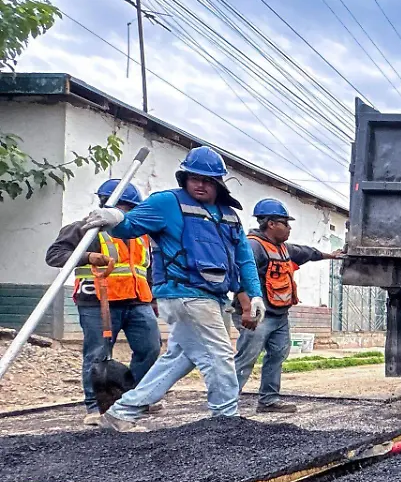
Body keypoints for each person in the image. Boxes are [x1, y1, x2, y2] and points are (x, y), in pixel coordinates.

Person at [82, 146, 265, 431]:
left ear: (219, 182)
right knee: (219, 356)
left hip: (212, 297)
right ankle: (226, 421)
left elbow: (243, 258)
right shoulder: (167, 202)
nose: (200, 184)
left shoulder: (228, 215)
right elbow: (131, 226)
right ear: (185, 178)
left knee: (178, 358)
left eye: (207, 180)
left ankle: (122, 412)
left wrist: (254, 295)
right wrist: (115, 218)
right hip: (185, 295)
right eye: (194, 178)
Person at [45, 179, 162, 426]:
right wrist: (88, 256)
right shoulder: (84, 229)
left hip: (137, 301)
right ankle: (95, 406)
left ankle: (134, 397)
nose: (127, 211)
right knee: (97, 354)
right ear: (106, 203)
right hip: (98, 301)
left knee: (150, 348)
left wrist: (153, 298)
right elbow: (54, 256)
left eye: (132, 207)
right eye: (125, 206)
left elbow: (146, 267)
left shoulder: (139, 234)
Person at [232, 198, 344, 413]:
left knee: (277, 355)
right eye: (286, 223)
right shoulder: (253, 246)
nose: (289, 228)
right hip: (257, 315)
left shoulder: (282, 248)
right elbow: (238, 278)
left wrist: (331, 255)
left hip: (279, 315)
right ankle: (225, 405)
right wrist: (247, 309)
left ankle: (268, 401)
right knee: (246, 358)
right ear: (271, 223)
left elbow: (307, 252)